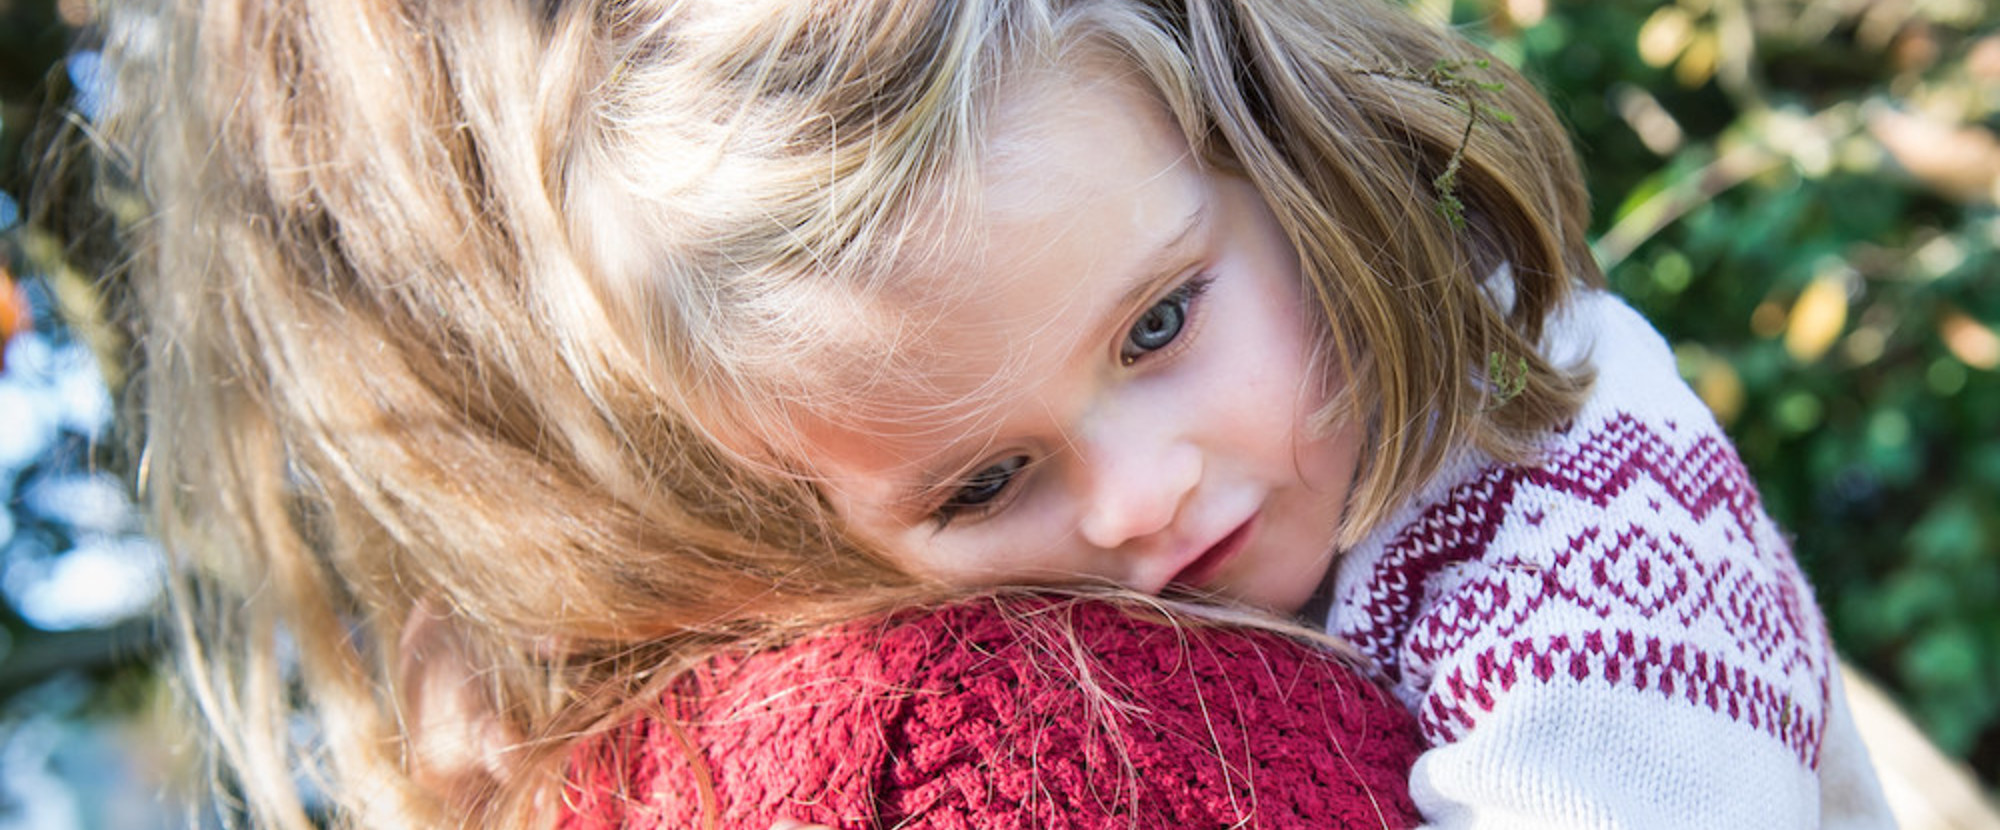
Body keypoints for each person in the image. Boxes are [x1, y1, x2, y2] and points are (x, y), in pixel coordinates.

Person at [93, 0, 1892, 826]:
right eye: (983, 478)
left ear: (1270, 151)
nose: (1135, 498)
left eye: (1161, 322)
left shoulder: (1546, 455)